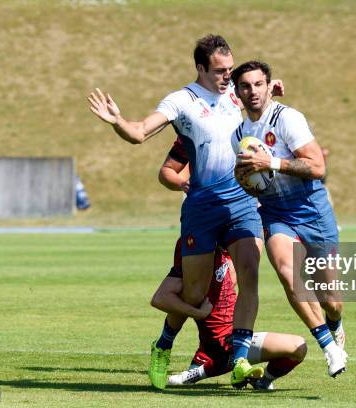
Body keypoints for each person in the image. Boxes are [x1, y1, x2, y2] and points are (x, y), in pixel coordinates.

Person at [88, 35, 284, 389]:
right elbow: (138, 134)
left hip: (241, 201)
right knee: (193, 293)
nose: (229, 77)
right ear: (200, 68)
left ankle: (239, 357)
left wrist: (271, 90)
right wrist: (117, 120)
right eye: (221, 71)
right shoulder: (181, 101)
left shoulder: (233, 93)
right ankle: (163, 344)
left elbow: (258, 100)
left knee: (251, 271)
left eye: (231, 70)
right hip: (202, 207)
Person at [231, 61, 348, 377]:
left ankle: (335, 325)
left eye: (258, 84)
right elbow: (250, 181)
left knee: (332, 301)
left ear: (269, 86)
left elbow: (317, 167)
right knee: (287, 271)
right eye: (245, 86)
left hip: (312, 209)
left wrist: (272, 163)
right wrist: (245, 177)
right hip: (276, 213)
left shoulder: (288, 119)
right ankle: (329, 347)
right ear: (237, 91)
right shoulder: (239, 134)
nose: (252, 91)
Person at [151, 239, 307, 390]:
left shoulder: (228, 246)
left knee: (298, 349)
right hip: (223, 341)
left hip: (228, 338)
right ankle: (196, 372)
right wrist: (198, 313)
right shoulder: (196, 246)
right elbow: (161, 298)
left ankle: (260, 381)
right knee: (297, 346)